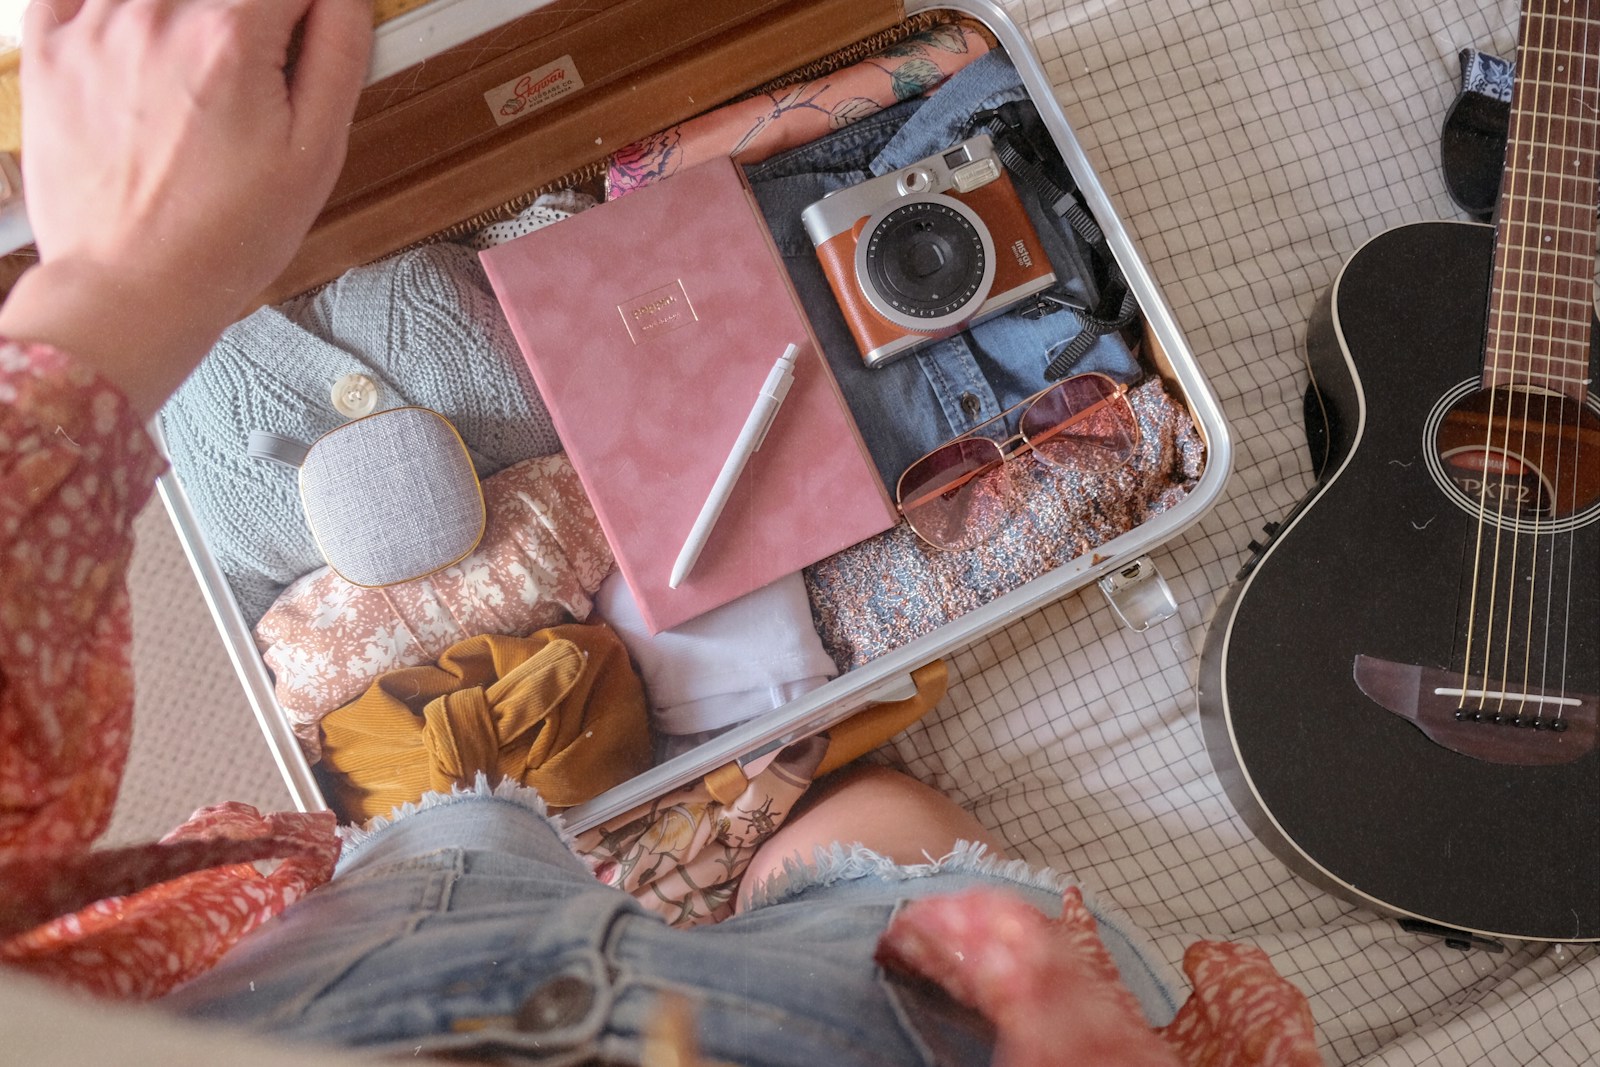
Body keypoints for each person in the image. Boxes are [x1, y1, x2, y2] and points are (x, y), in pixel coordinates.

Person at [0, 2, 1321, 1065]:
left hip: (504, 906)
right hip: (864, 973)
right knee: (870, 844)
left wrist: (125, 286)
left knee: (855, 840)